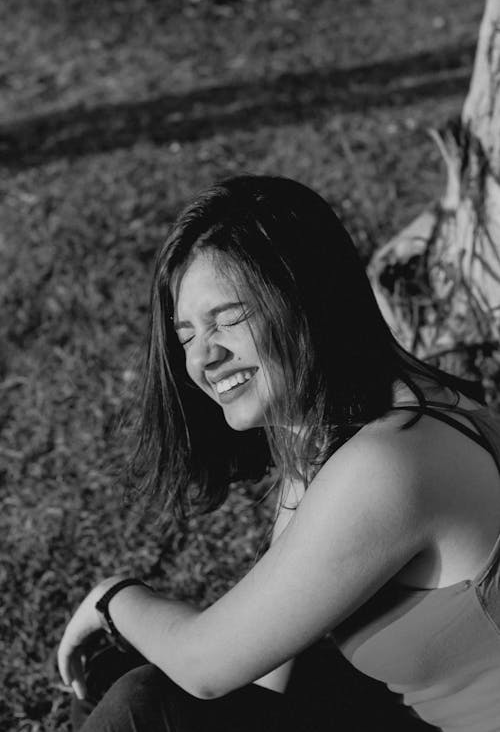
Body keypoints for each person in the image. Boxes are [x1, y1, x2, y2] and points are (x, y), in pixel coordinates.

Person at [58, 175, 500, 732]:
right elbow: (271, 682)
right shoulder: (365, 417)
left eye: (230, 317)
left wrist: (111, 598)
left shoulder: (390, 460)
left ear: (306, 297)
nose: (203, 358)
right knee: (125, 673)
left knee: (144, 700)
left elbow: (206, 667)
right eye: (187, 333)